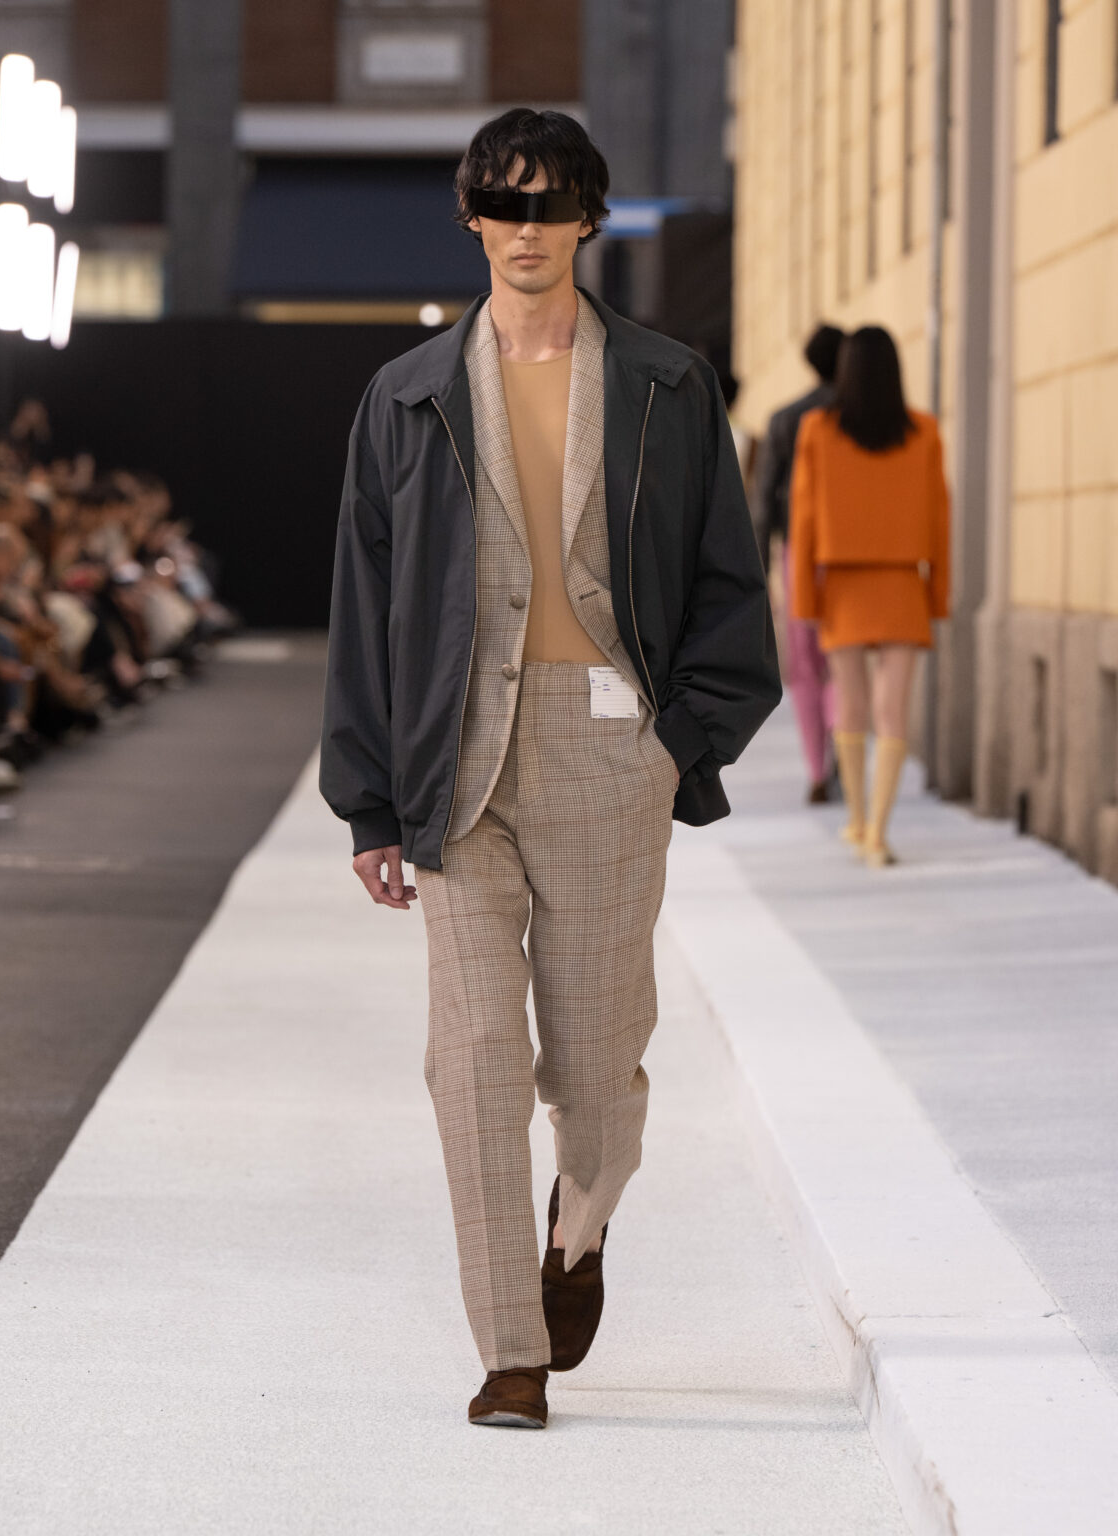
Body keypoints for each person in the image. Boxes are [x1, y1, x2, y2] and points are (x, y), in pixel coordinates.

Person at [319, 107, 781, 1430]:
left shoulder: (667, 385)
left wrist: (680, 741)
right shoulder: (406, 396)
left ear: (588, 218)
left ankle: (579, 1226)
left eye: (551, 203)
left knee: (596, 1068)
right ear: (472, 217)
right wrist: (369, 798)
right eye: (505, 203)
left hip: (606, 749)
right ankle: (509, 1351)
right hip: (451, 757)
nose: (527, 229)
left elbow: (725, 578)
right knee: (469, 1058)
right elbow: (364, 604)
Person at [788, 325, 950, 867]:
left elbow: (803, 519)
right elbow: (940, 518)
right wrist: (939, 595)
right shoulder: (925, 432)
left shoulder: (817, 430)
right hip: (903, 582)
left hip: (843, 585)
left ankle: (858, 821)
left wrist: (803, 599)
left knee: (851, 702)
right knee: (892, 706)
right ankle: (879, 830)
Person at [754, 324, 845, 803]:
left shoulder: (786, 419)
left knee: (807, 667)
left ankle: (817, 766)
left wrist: (759, 571)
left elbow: (764, 501)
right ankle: (845, 751)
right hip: (848, 556)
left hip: (799, 553)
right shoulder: (857, 416)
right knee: (844, 664)